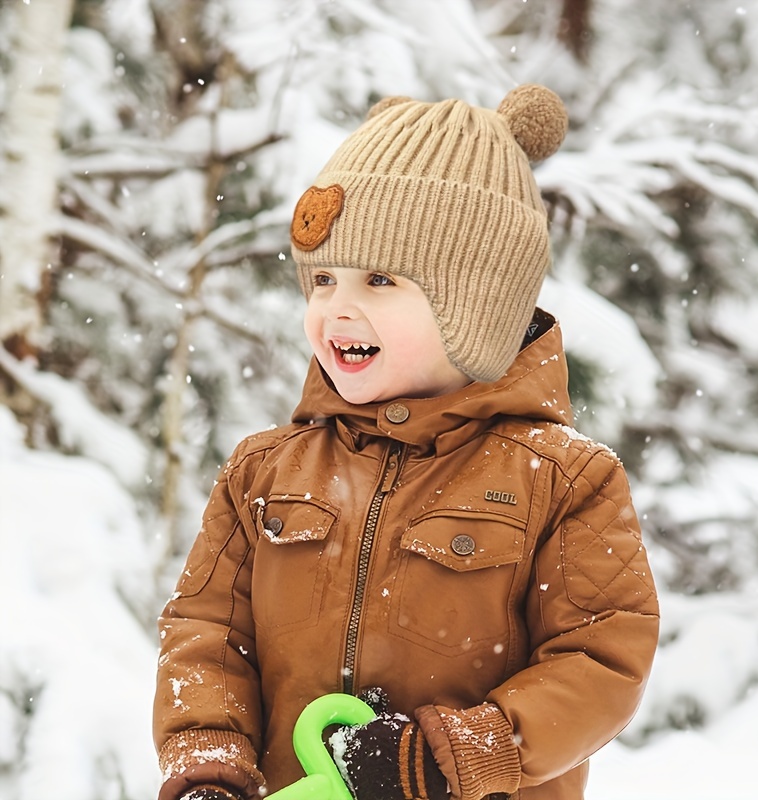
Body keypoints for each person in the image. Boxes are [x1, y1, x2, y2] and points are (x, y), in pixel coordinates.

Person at [153, 84, 659, 800]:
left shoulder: (566, 481)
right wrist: (209, 759)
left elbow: (602, 658)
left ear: (477, 305)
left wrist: (452, 757)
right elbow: (208, 635)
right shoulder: (265, 470)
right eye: (321, 279)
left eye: (381, 279)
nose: (336, 307)